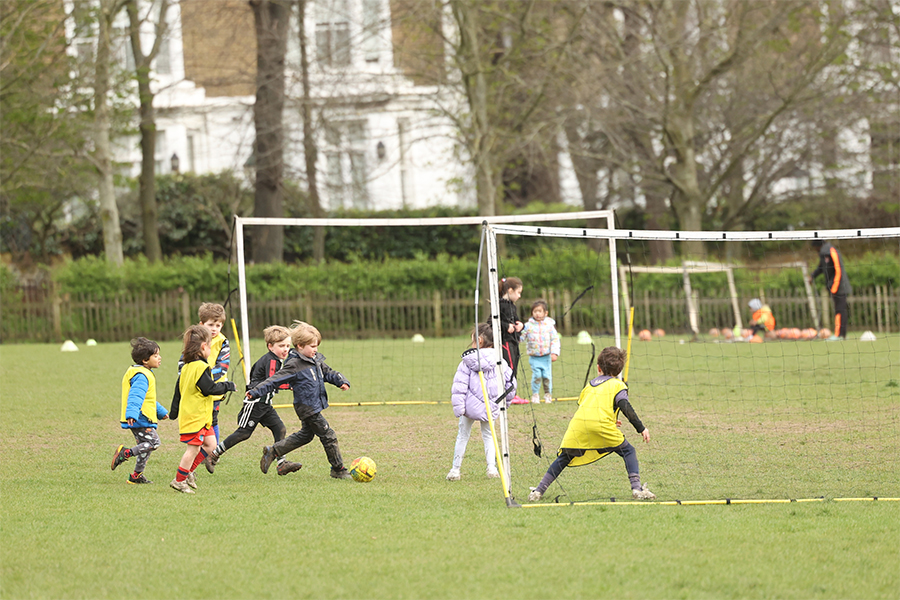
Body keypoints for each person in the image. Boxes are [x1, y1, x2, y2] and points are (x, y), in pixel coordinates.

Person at [527, 347, 655, 502]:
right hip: (601, 427)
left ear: (598, 367)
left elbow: (588, 407)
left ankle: (538, 491)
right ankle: (637, 489)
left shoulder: (589, 386)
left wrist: (610, 419)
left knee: (564, 457)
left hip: (578, 426)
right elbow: (624, 406)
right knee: (628, 451)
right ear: (619, 370)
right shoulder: (618, 385)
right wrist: (641, 428)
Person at [249, 321, 353, 479]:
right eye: (312, 346)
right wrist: (255, 391)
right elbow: (273, 380)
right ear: (300, 346)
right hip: (307, 407)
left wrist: (341, 381)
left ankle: (273, 451)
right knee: (328, 435)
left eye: (316, 346)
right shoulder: (294, 365)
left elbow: (328, 372)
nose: (315, 349)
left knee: (306, 435)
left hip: (314, 405)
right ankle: (338, 469)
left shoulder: (315, 360)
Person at [205, 325, 301, 476]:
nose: (285, 349)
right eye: (281, 346)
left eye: (288, 346)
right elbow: (273, 381)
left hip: (265, 404)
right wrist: (292, 385)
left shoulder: (275, 360)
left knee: (280, 428)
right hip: (255, 403)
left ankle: (281, 464)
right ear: (270, 346)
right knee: (244, 433)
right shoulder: (271, 360)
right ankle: (214, 454)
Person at [169, 325, 237, 493]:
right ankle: (179, 481)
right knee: (193, 449)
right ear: (204, 347)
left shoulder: (186, 367)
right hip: (195, 417)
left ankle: (188, 472)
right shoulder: (200, 367)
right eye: (210, 346)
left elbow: (177, 391)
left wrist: (173, 412)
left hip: (202, 417)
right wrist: (228, 386)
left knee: (211, 445)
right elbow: (209, 388)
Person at [446, 323, 516, 481]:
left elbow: (459, 386)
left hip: (469, 408)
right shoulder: (500, 361)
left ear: (478, 340)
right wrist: (504, 403)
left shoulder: (466, 362)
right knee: (489, 435)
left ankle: (455, 470)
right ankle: (492, 468)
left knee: (463, 435)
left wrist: (459, 408)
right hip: (491, 405)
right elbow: (511, 385)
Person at [178, 302, 231, 472]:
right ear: (201, 324)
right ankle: (198, 451)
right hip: (195, 393)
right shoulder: (193, 341)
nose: (214, 329)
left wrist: (205, 378)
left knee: (212, 421)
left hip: (214, 391)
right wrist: (191, 378)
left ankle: (212, 453)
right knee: (198, 423)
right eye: (210, 325)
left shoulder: (223, 342)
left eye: (218, 325)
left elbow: (223, 366)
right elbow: (182, 364)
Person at [110, 337, 169, 484]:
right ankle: (125, 453)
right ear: (145, 360)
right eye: (155, 355)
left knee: (145, 447)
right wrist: (131, 414)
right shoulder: (142, 376)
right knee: (154, 443)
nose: (160, 358)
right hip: (140, 417)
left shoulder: (142, 372)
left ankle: (136, 476)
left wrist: (161, 412)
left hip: (140, 416)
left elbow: (147, 398)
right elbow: (135, 396)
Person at [520, 299, 560, 404]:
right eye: (535, 311)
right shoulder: (528, 326)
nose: (537, 314)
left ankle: (548, 394)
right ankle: (535, 394)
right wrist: (516, 338)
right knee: (537, 376)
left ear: (545, 313)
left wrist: (554, 352)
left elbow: (555, 339)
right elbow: (521, 337)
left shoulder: (549, 325)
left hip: (546, 357)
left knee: (547, 377)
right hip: (534, 357)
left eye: (539, 311)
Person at [810, 240, 851, 340]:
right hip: (834, 287)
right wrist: (812, 276)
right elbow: (821, 268)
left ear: (818, 246)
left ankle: (839, 335)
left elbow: (838, 270)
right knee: (838, 310)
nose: (815, 250)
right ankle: (841, 334)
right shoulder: (823, 255)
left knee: (840, 311)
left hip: (840, 287)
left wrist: (834, 287)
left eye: (815, 248)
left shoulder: (832, 251)